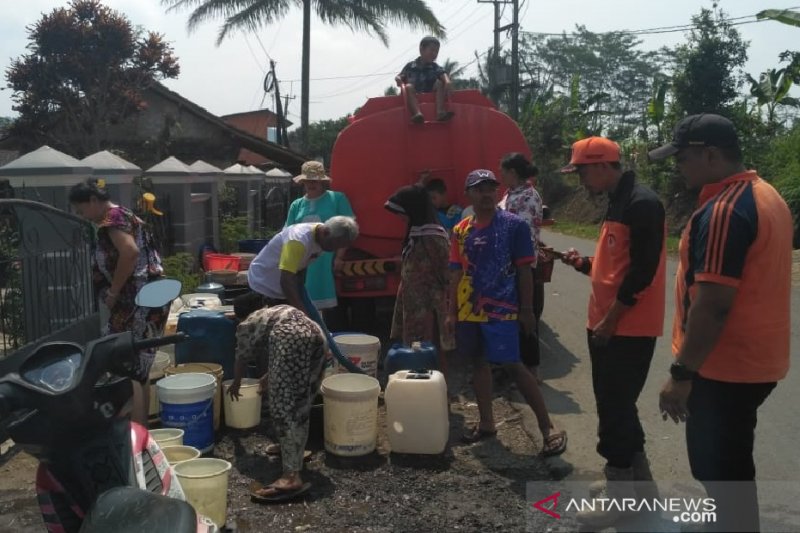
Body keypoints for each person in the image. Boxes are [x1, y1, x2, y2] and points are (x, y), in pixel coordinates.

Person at [650, 114, 792, 532]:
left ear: (709, 154)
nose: (679, 166)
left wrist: (681, 374)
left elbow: (713, 306)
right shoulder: (766, 195)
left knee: (719, 469)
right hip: (755, 361)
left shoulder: (726, 210)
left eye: (683, 157)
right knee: (728, 464)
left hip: (724, 367)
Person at [559, 137, 666, 527]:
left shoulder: (642, 204)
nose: (581, 180)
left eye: (582, 171)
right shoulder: (618, 201)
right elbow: (616, 265)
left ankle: (620, 497)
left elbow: (642, 273)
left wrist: (611, 320)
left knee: (614, 410)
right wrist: (585, 263)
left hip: (625, 328)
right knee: (618, 406)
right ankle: (641, 488)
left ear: (603, 165)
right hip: (608, 323)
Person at [447, 169, 566, 456]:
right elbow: (455, 272)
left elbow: (526, 270)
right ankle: (487, 424)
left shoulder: (514, 227)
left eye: (491, 188)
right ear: (469, 194)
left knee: (514, 365)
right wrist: (450, 311)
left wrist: (527, 310)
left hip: (502, 310)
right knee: (477, 364)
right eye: (479, 189)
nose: (486, 194)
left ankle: (547, 428)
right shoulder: (460, 230)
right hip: (469, 310)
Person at [69, 179, 167, 426]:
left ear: (93, 200)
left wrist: (112, 292)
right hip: (147, 298)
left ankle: (134, 434)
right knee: (136, 368)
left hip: (135, 301)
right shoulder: (123, 214)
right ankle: (140, 430)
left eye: (82, 211)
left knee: (124, 365)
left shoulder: (112, 219)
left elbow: (130, 252)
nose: (84, 217)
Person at [228, 293, 328, 503]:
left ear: (239, 316)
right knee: (302, 400)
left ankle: (291, 476)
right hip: (316, 333)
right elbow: (290, 354)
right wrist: (271, 375)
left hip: (290, 337)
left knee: (284, 407)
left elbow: (241, 357)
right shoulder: (273, 312)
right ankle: (292, 450)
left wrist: (236, 383)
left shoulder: (245, 324)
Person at [385, 183, 454, 380]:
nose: (400, 218)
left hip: (429, 307)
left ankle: (436, 392)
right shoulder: (417, 233)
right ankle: (420, 389)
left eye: (403, 213)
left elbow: (445, 273)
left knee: (430, 349)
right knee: (415, 352)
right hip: (413, 303)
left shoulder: (432, 236)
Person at [285, 161, 355, 322]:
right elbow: (288, 233)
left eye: (314, 180)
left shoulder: (337, 199)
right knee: (302, 303)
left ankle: (324, 336)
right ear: (303, 182)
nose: (311, 184)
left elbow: (347, 230)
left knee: (325, 308)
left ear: (322, 181)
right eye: (308, 181)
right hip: (301, 260)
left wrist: (339, 257)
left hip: (325, 259)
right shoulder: (297, 205)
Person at [247, 216, 359, 316]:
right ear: (326, 232)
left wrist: (302, 299)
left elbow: (301, 267)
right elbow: (286, 279)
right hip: (263, 284)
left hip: (282, 287)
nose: (334, 249)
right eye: (335, 245)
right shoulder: (297, 240)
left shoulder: (323, 238)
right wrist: (302, 313)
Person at [497, 153, 545, 380]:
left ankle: (532, 370)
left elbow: (522, 230)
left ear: (513, 173)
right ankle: (515, 367)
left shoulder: (529, 196)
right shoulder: (510, 194)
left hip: (522, 265)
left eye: (503, 171)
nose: (501, 175)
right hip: (506, 265)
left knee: (526, 315)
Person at [396, 36, 454, 124]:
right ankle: (417, 113)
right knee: (408, 86)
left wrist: (447, 81)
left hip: (430, 91)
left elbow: (443, 74)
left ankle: (440, 112)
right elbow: (400, 76)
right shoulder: (410, 66)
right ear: (421, 49)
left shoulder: (434, 67)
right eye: (432, 50)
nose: (434, 54)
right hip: (414, 93)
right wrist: (398, 79)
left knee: (439, 83)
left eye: (436, 51)